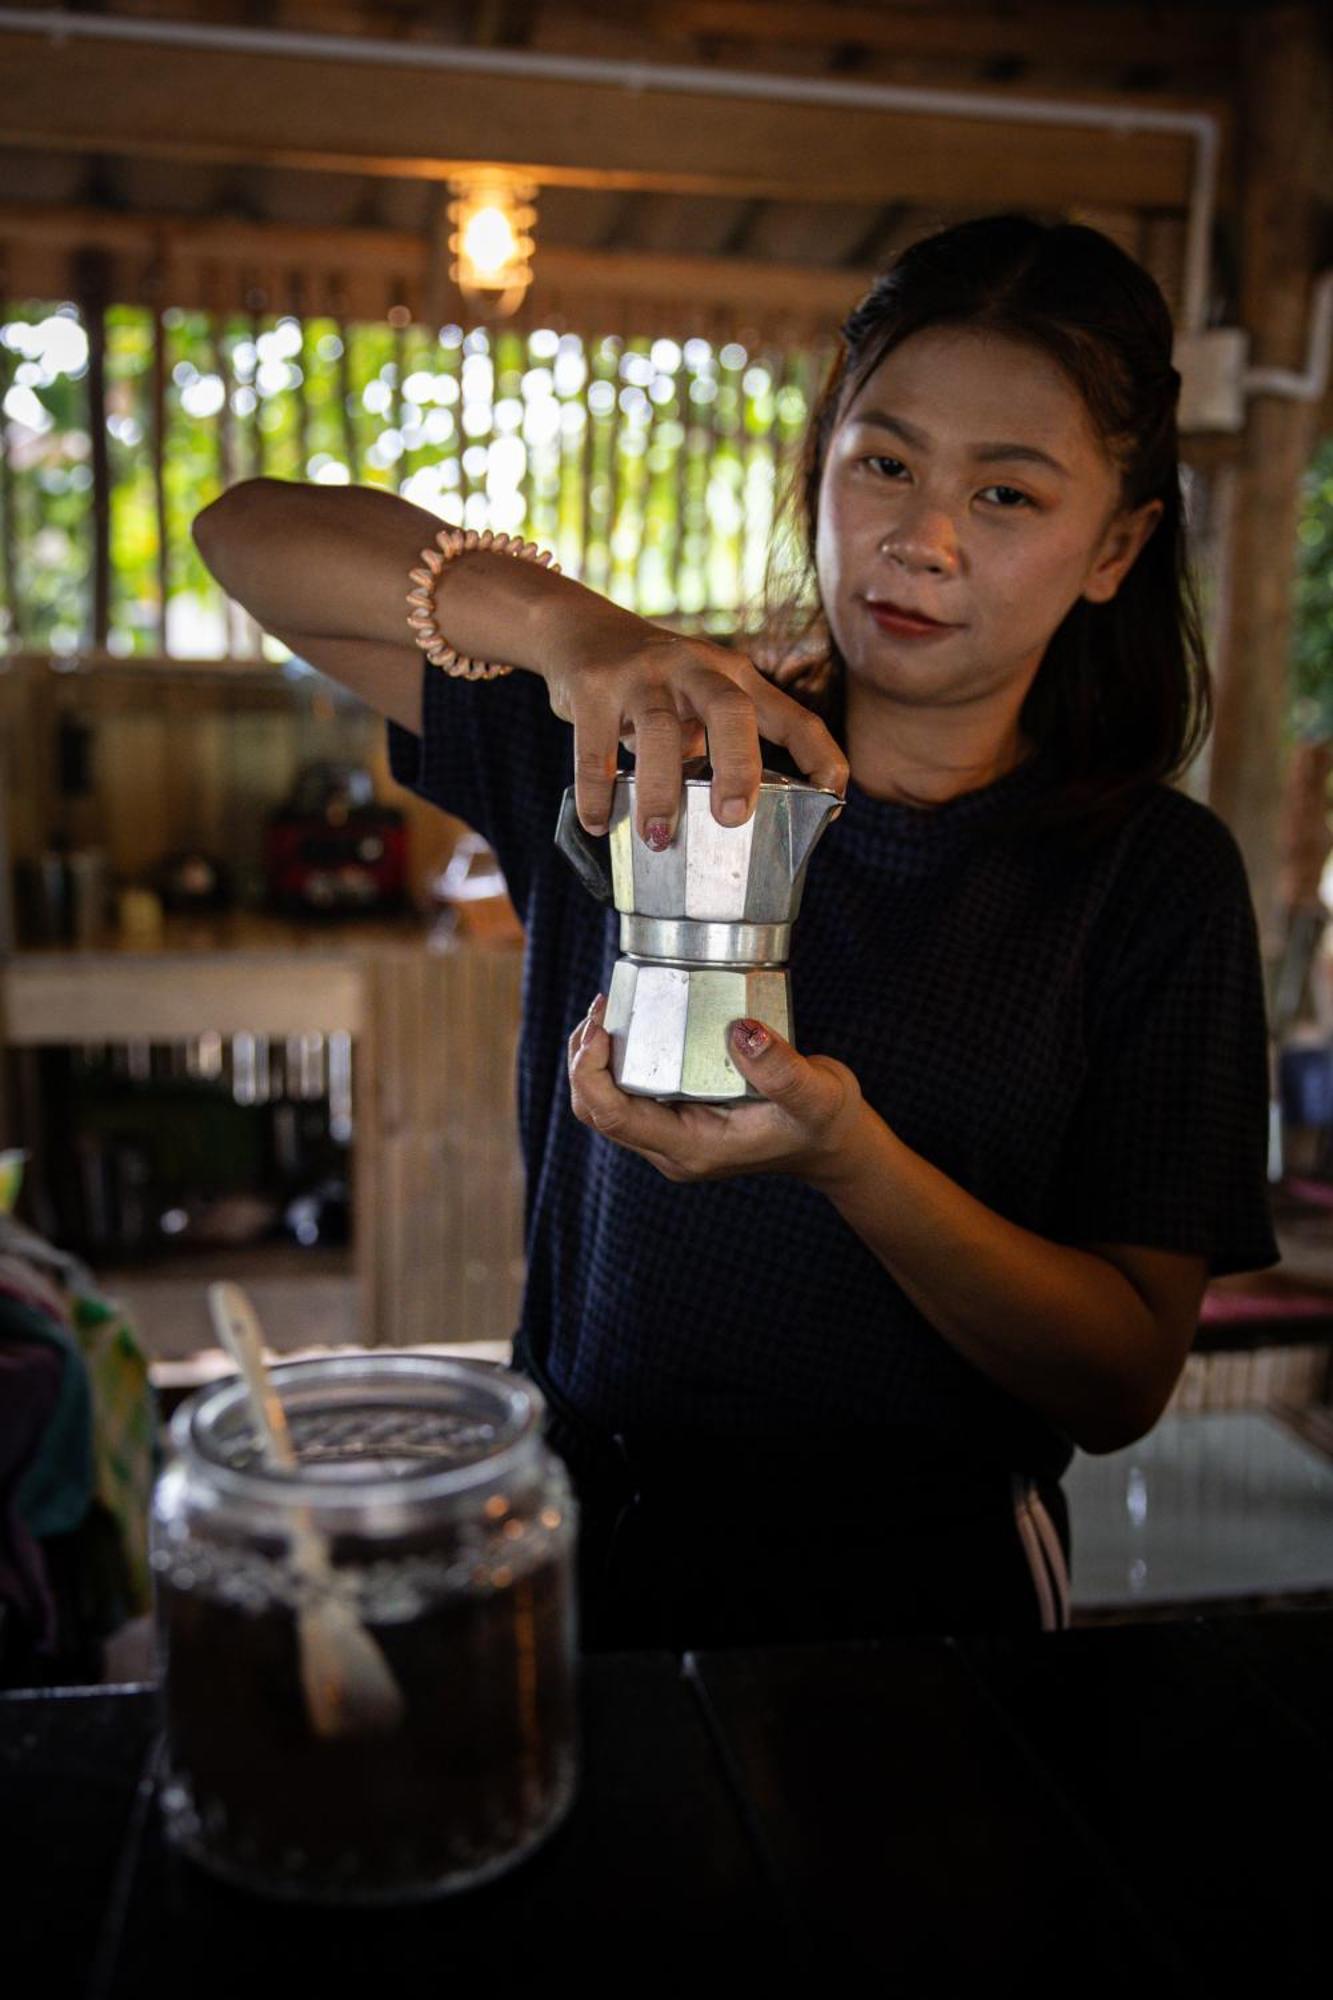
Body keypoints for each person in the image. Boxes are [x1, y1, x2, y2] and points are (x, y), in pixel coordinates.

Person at [193, 212, 1279, 1653]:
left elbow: (1119, 1377)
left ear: (1115, 546)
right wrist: (573, 631)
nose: (921, 538)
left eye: (1007, 496)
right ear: (818, 463)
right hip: (582, 1539)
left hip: (921, 1596)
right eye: (882, 462)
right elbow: (247, 534)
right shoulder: (656, 744)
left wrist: (852, 1161)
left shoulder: (1149, 881)